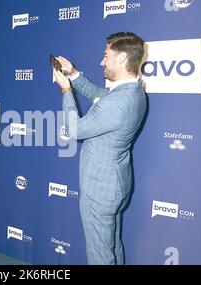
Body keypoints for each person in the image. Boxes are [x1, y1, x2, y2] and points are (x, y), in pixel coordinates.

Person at [53, 32, 147, 265]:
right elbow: (99, 95)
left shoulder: (118, 103)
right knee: (112, 246)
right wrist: (74, 74)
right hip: (114, 183)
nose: (101, 62)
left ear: (123, 58)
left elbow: (74, 130)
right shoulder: (132, 91)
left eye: (106, 56)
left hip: (100, 189)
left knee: (100, 255)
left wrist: (66, 90)